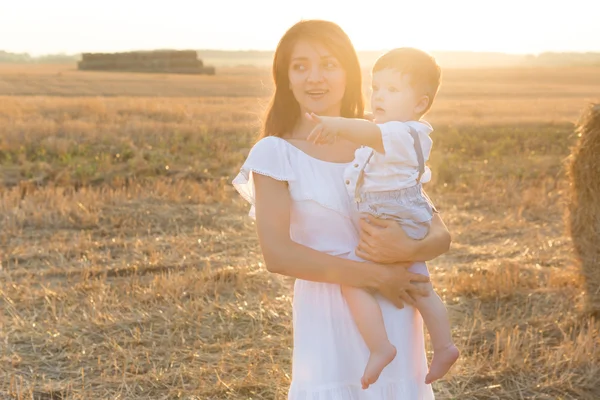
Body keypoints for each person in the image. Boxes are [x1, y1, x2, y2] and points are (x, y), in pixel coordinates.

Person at [232, 19, 451, 399]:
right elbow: (277, 255)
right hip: (328, 318)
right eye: (300, 66)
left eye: (328, 64)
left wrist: (410, 251)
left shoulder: (380, 136)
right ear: (285, 77)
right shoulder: (273, 151)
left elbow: (439, 232)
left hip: (396, 306)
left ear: (349, 72)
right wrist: (372, 277)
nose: (314, 77)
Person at [304, 48, 459, 388]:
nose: (379, 96)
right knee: (421, 288)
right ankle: (445, 345)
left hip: (393, 216)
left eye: (392, 90)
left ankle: (380, 347)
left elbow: (367, 132)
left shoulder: (405, 134)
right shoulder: (396, 132)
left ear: (420, 103)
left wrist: (334, 125)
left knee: (351, 280)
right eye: (376, 88)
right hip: (403, 217)